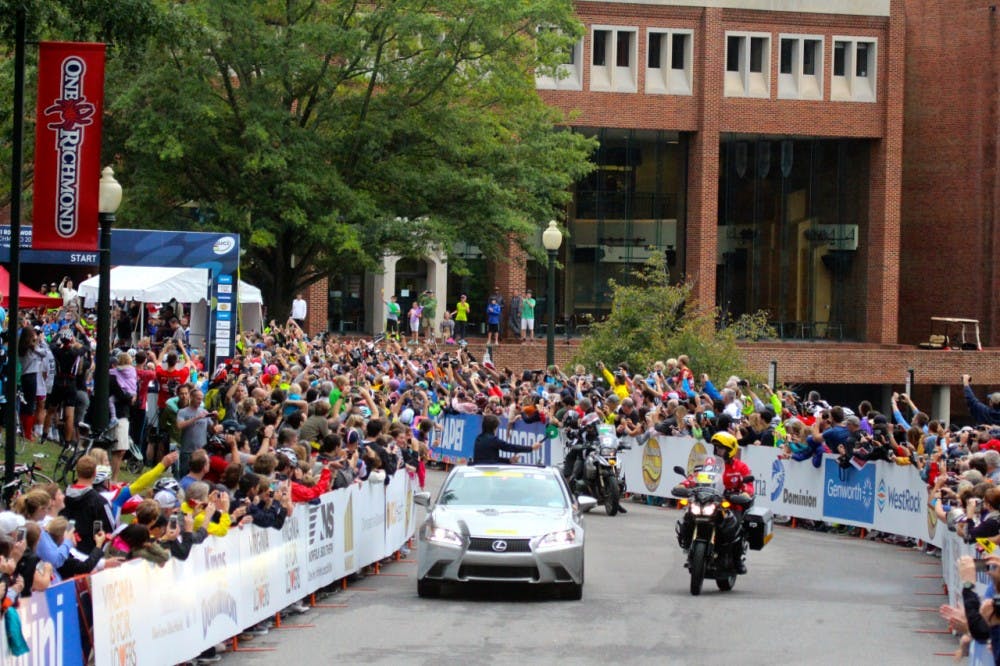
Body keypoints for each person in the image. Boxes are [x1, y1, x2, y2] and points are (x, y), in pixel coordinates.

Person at [674, 431, 753, 574]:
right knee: (689, 515)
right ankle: (688, 545)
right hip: (710, 499)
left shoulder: (741, 467)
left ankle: (737, 560)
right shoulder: (710, 463)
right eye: (716, 448)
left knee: (736, 528)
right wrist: (684, 485)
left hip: (731, 503)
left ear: (730, 450)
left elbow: (748, 485)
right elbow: (696, 477)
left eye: (721, 448)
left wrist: (746, 493)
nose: (718, 451)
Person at [470, 414, 542, 465]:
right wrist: (531, 448)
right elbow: (511, 447)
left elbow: (489, 458)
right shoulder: (493, 440)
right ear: (494, 428)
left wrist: (508, 460)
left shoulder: (478, 438)